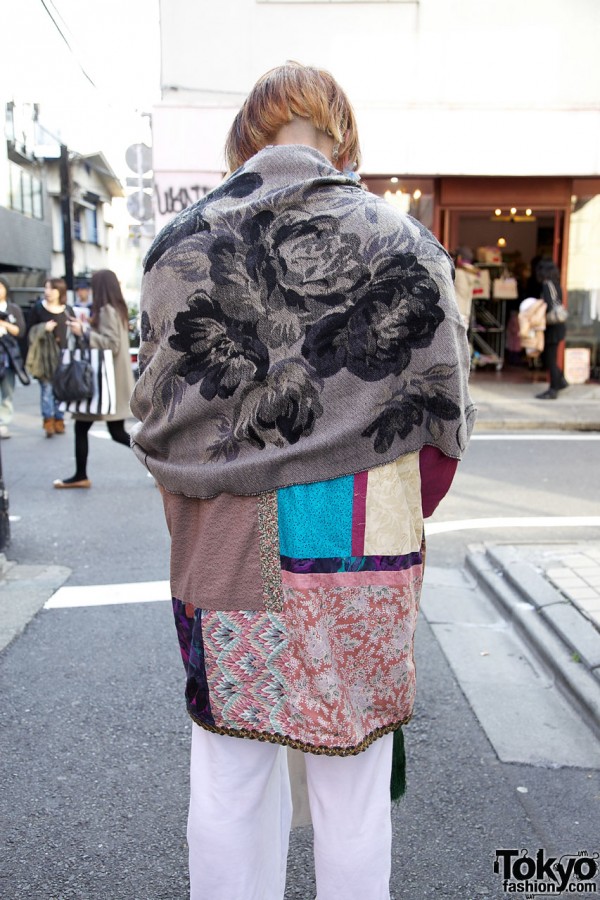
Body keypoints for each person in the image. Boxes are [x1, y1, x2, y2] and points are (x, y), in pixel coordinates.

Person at [130, 61, 475, 900]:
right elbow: (444, 422)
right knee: (353, 782)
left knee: (229, 770)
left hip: (222, 536)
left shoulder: (181, 244)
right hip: (367, 528)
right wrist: (390, 493)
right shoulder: (405, 241)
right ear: (342, 137)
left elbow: (156, 416)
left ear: (246, 138)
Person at [53, 269, 135, 489]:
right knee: (112, 431)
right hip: (112, 381)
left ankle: (81, 475)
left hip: (106, 382)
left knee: (102, 430)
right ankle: (158, 466)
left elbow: (111, 343)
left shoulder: (107, 309)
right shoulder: (117, 308)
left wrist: (84, 332)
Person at [27, 278, 73, 437]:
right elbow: (29, 331)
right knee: (46, 389)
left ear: (59, 291)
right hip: (44, 356)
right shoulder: (38, 309)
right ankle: (48, 421)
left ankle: (59, 419)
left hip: (64, 355)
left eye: (51, 288)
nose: (48, 292)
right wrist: (43, 328)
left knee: (60, 389)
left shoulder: (67, 310)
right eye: (46, 288)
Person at [535, 258, 568, 399]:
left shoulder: (546, 285)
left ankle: (553, 389)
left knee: (550, 359)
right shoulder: (556, 284)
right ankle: (561, 381)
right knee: (551, 357)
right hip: (559, 325)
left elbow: (548, 305)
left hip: (552, 327)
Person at [0, 276, 28, 438]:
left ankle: (2, 422)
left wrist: (4, 324)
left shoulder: (13, 309)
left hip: (8, 354)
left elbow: (21, 331)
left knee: (7, 389)